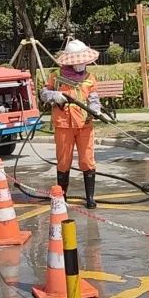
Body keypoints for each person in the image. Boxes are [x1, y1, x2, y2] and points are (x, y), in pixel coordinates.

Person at [40, 39, 103, 208]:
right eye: (78, 62)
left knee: (87, 160)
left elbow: (94, 99)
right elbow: (43, 94)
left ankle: (90, 198)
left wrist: (96, 109)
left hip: (84, 125)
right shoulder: (55, 76)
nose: (81, 65)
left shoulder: (89, 78)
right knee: (63, 160)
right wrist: (55, 96)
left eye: (83, 62)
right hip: (63, 125)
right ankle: (62, 196)